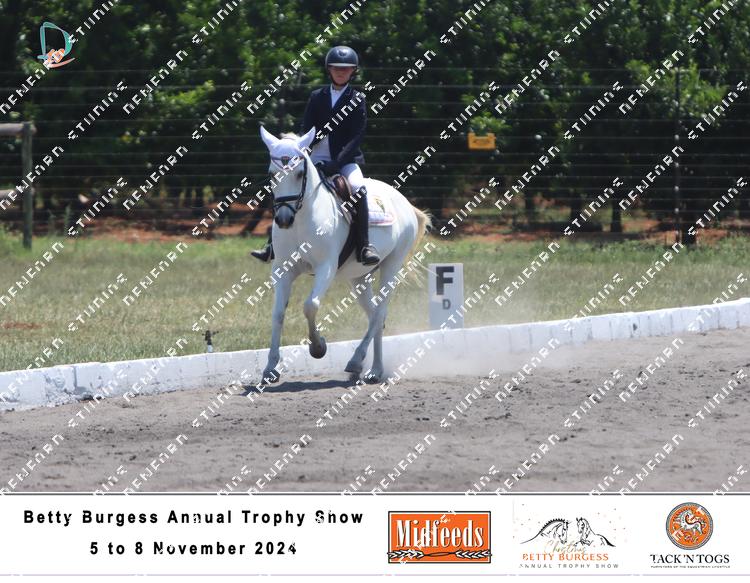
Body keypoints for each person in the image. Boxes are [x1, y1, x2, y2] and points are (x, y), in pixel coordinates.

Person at [251, 45, 380, 266]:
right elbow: (307, 129)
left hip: (344, 160)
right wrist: (303, 152)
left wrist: (337, 163)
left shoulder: (357, 99)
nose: (341, 72)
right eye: (336, 68)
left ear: (353, 71)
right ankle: (271, 245)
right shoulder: (317, 96)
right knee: (286, 183)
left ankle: (364, 246)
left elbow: (356, 136)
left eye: (346, 68)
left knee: (358, 188)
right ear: (329, 69)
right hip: (314, 155)